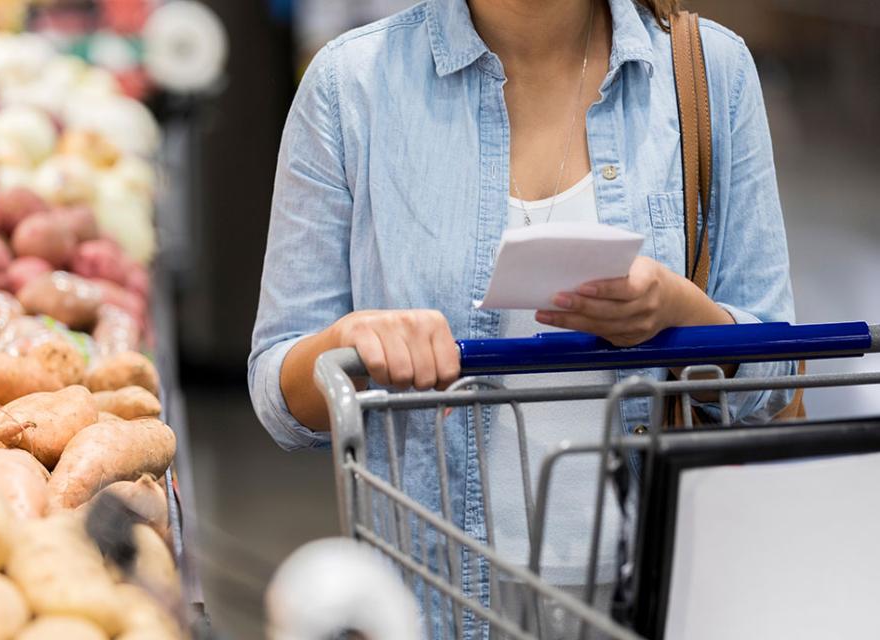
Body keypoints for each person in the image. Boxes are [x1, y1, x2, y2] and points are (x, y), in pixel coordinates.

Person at [249, 0, 796, 634]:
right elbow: (277, 393)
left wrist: (681, 316)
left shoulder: (709, 71)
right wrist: (350, 347)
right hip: (430, 596)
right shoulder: (350, 84)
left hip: (663, 592)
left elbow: (779, 371)